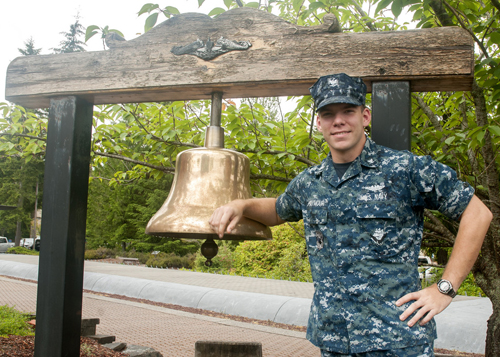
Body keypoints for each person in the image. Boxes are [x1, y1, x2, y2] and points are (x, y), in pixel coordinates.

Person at [209, 73, 492, 357]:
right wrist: (241, 206)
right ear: (319, 123)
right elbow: (277, 210)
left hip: (398, 339)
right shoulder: (310, 182)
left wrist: (444, 289)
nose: (338, 120)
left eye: (348, 111)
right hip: (335, 341)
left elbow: (478, 214)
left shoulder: (404, 169)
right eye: (328, 114)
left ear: (365, 116)